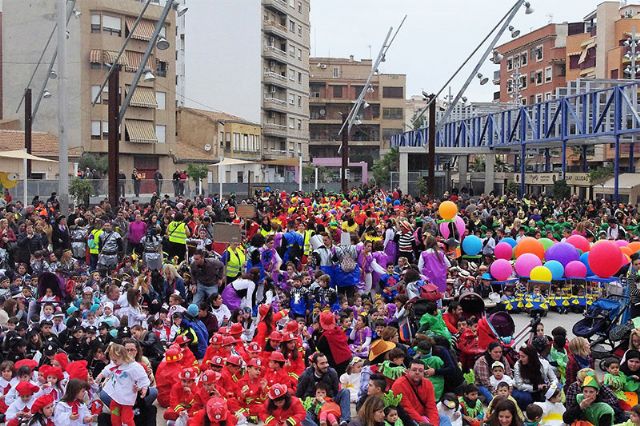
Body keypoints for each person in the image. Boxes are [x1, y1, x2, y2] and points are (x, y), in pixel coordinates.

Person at [96, 343, 150, 426]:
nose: (114, 362)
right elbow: (108, 368)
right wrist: (101, 375)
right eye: (113, 360)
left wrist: (144, 388)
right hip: (116, 396)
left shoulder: (134, 366)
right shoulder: (115, 363)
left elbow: (142, 377)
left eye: (115, 360)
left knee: (126, 419)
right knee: (115, 416)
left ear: (123, 356)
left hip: (127, 398)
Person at [296, 352, 351, 426]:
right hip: (313, 405)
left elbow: (336, 392)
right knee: (302, 416)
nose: (326, 365)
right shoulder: (306, 375)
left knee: (345, 391)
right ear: (315, 365)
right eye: (322, 363)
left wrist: (327, 401)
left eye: (326, 362)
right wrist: (313, 401)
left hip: (329, 401)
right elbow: (299, 395)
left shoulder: (332, 373)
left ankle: (344, 421)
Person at [391, 359, 446, 426]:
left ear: (424, 373)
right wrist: (424, 423)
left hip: (425, 417)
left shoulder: (428, 383)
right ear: (407, 371)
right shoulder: (398, 385)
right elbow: (407, 409)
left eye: (420, 371)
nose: (417, 372)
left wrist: (434, 424)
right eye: (414, 370)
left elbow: (431, 406)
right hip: (409, 419)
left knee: (445, 418)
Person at [512, 345, 558, 409]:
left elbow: (554, 379)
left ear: (531, 357)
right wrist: (536, 387)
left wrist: (551, 386)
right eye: (519, 356)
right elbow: (520, 386)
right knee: (525, 397)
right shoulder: (518, 365)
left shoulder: (544, 363)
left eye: (523, 357)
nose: (520, 359)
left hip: (542, 386)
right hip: (524, 389)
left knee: (558, 388)